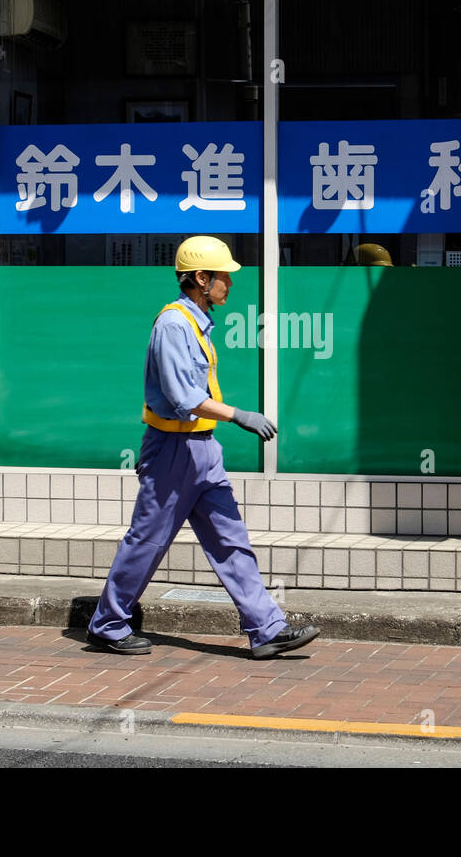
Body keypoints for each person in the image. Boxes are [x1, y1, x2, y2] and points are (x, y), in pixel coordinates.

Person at [86, 235, 321, 658]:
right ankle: (107, 623)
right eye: (223, 277)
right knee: (148, 541)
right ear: (200, 278)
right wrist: (240, 415)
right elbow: (183, 398)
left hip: (202, 449)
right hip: (172, 450)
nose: (229, 284)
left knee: (231, 540)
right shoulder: (174, 324)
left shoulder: (197, 322)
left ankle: (267, 629)